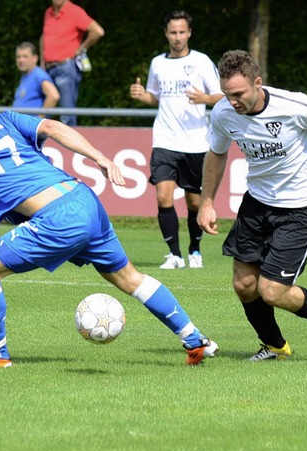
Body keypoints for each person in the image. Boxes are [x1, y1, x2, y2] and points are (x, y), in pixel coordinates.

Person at [0, 92, 217, 368]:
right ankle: (195, 340)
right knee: (129, 277)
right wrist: (100, 157)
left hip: (58, 219)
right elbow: (54, 127)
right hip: (85, 199)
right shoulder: (5, 119)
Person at [197, 50, 307, 361]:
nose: (232, 101)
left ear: (257, 83)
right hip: (257, 202)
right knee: (245, 284)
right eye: (226, 94)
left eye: (238, 94)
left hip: (299, 205)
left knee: (272, 290)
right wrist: (207, 202)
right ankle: (275, 346)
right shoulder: (222, 113)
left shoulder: (292, 105)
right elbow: (217, 154)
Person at [129, 10, 223, 270]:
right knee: (163, 197)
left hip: (195, 142)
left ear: (189, 33)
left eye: (182, 32)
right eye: (173, 32)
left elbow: (221, 95)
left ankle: (195, 250)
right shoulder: (157, 63)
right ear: (166, 34)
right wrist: (142, 96)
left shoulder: (202, 61)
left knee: (194, 202)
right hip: (164, 140)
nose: (178, 37)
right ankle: (175, 255)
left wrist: (205, 99)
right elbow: (155, 97)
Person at [40, 0, 104, 126]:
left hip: (66, 67)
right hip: (47, 69)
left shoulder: (74, 11)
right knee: (43, 111)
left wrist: (81, 48)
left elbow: (98, 31)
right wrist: (42, 62)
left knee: (67, 114)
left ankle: (69, 143)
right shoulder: (49, 12)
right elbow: (44, 36)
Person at [13, 41, 60, 116]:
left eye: (25, 56)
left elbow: (54, 96)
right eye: (18, 57)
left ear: (35, 58)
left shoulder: (38, 75)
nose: (21, 60)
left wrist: (39, 119)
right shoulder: (25, 76)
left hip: (30, 126)